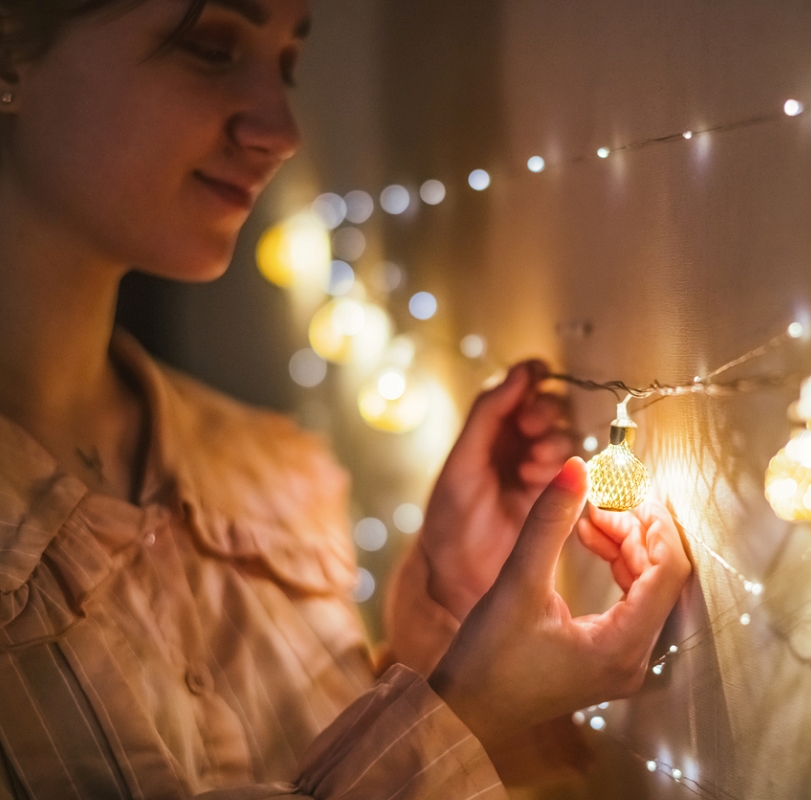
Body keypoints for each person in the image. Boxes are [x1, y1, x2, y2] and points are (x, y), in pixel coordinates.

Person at [0, 0, 693, 797]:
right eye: (210, 46)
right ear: (12, 47)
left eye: (287, 65)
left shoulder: (280, 478)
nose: (282, 129)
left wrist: (443, 629)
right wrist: (467, 710)